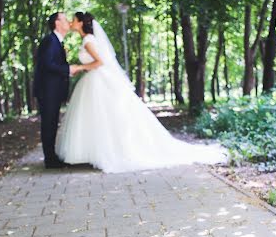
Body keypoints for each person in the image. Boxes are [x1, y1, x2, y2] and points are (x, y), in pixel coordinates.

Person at [55, 12, 227, 173]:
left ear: (80, 23)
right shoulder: (87, 39)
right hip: (94, 79)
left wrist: (79, 67)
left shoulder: (88, 41)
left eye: (73, 20)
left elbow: (100, 62)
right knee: (99, 117)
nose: (70, 22)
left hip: (97, 79)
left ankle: (108, 152)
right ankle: (96, 151)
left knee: (103, 116)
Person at [33, 12, 78, 168]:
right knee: (49, 123)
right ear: (57, 23)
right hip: (47, 91)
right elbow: (47, 64)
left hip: (52, 91)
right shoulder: (50, 41)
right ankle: (50, 160)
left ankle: (51, 157)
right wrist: (67, 69)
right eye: (65, 20)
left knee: (52, 123)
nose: (69, 22)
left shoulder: (56, 42)